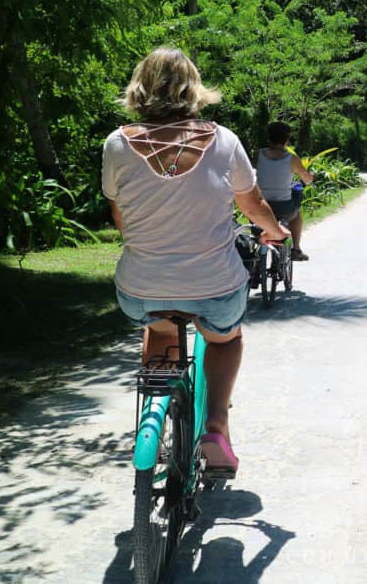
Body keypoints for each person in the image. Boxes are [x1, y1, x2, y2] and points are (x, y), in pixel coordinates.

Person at [102, 47, 289, 477]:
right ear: (194, 89)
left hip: (141, 285)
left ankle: (156, 406)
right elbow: (253, 204)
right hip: (213, 286)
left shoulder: (117, 143)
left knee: (160, 325)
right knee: (225, 339)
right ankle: (216, 426)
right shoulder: (223, 140)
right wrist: (276, 232)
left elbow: (121, 215)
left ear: (140, 88)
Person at [257, 121, 315, 262]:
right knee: (296, 214)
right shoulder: (292, 159)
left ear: (269, 138)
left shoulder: (257, 154)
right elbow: (307, 180)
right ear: (287, 139)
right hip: (284, 208)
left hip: (260, 206)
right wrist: (312, 176)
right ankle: (296, 249)